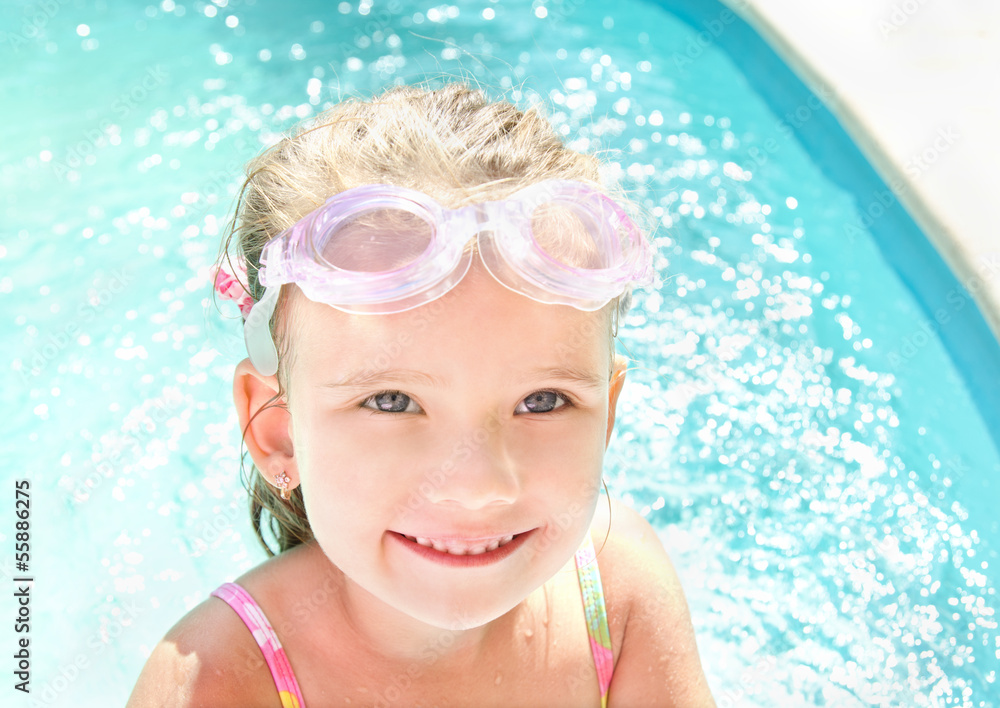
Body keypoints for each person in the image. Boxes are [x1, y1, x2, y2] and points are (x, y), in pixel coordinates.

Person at [127, 83, 715, 707]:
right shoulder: (215, 684)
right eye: (392, 402)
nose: (479, 484)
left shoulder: (618, 591)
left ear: (608, 416)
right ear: (278, 431)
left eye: (542, 401)